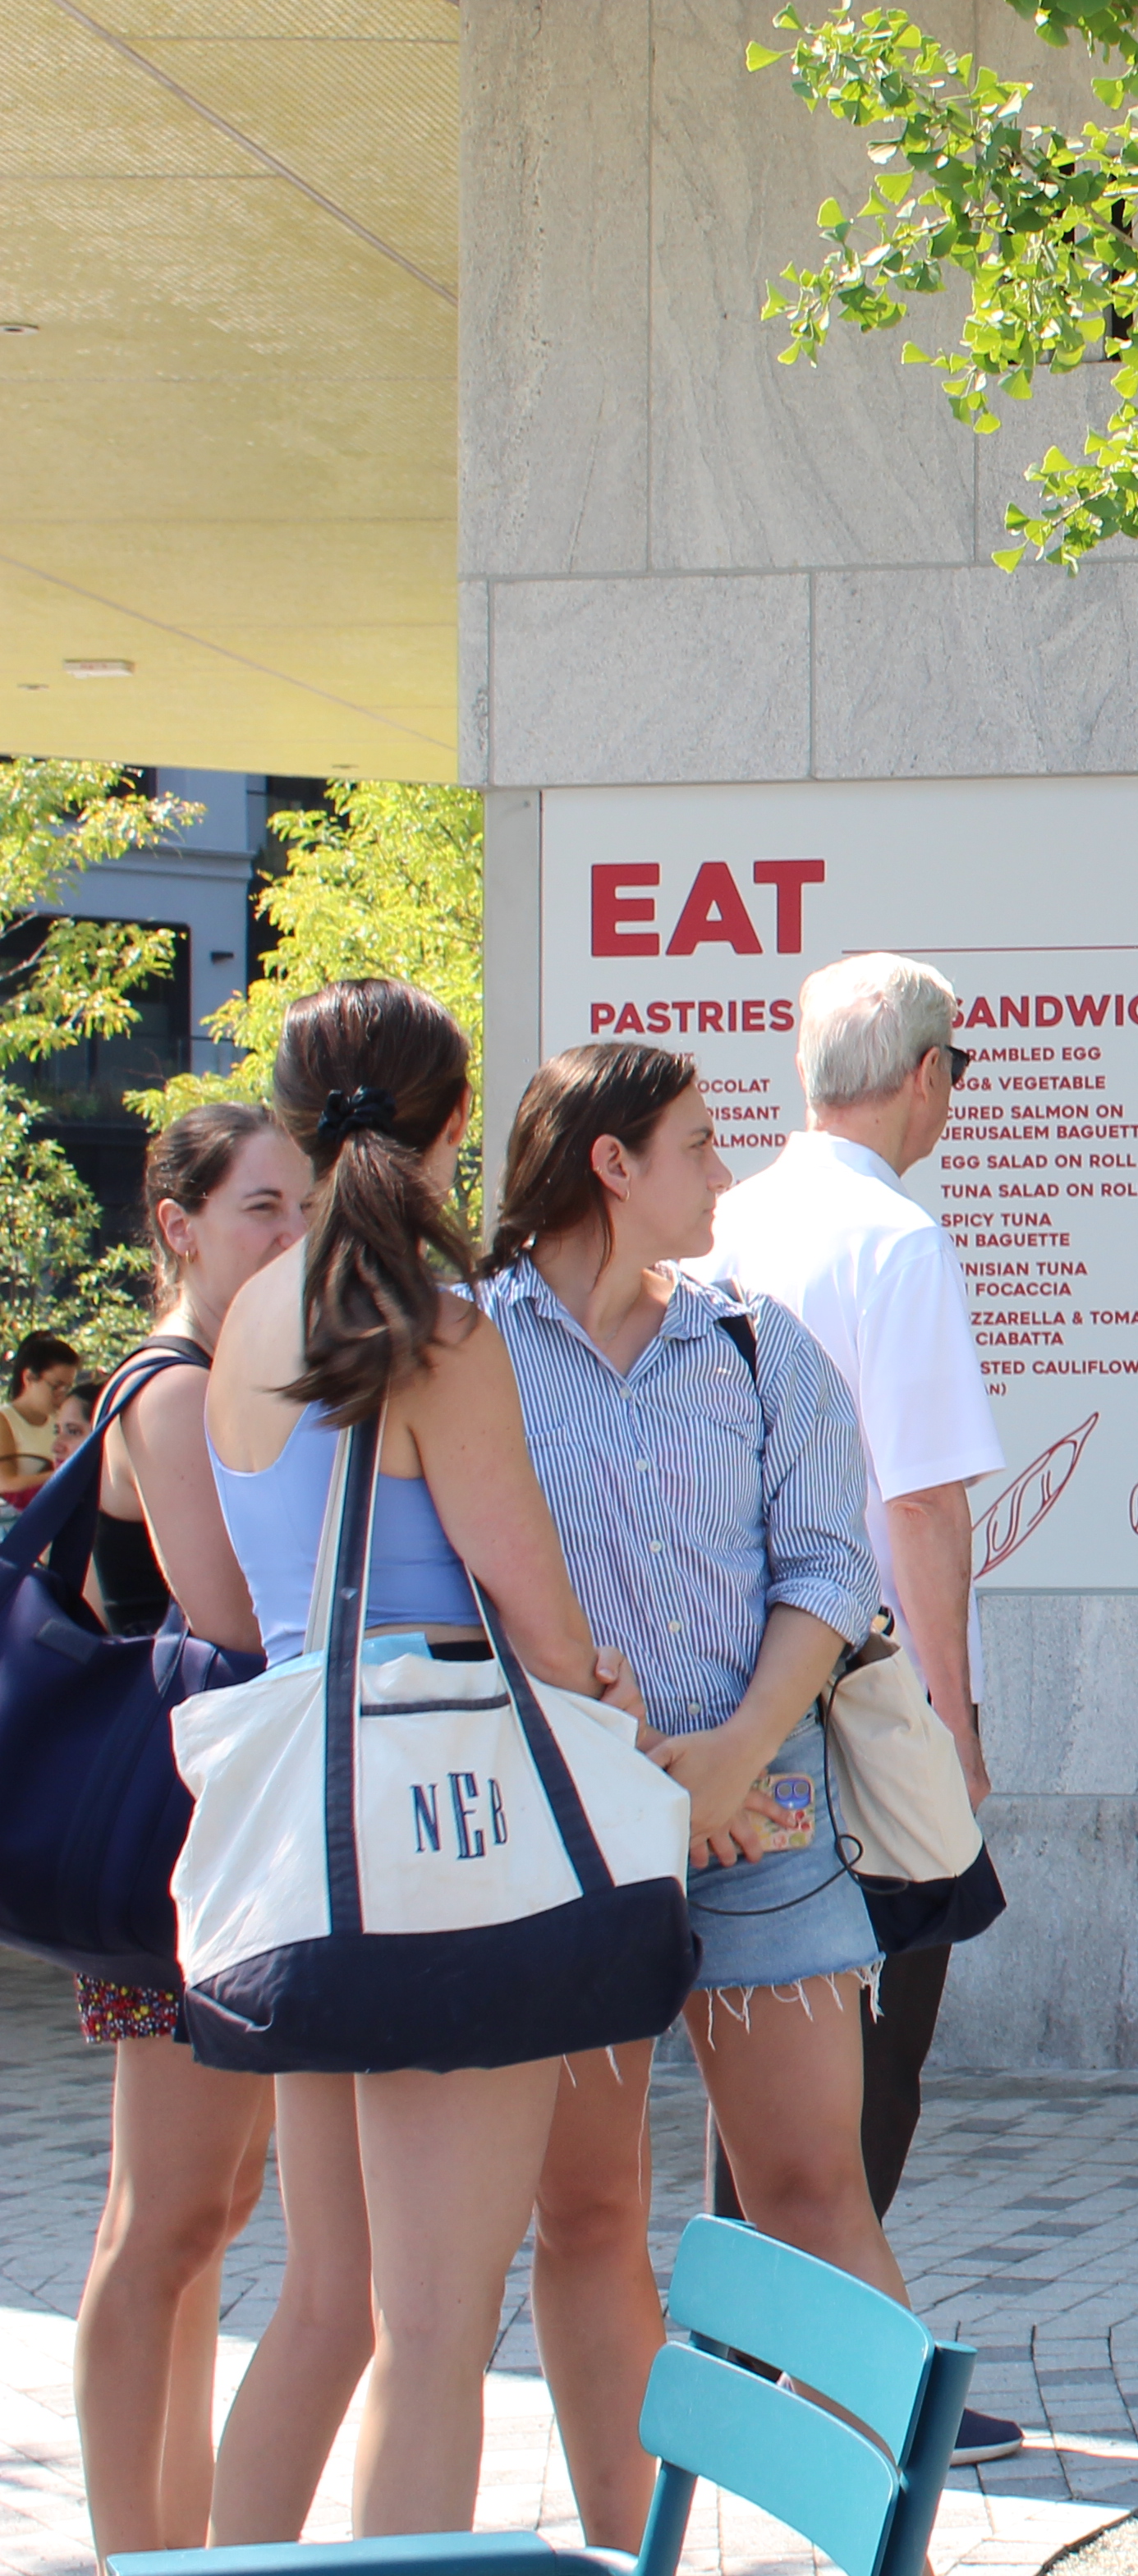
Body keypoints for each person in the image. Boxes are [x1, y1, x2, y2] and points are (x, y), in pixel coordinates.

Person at [199, 980, 654, 2537]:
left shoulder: (252, 1313)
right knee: (438, 2331)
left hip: (315, 1844)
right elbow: (530, 1602)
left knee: (324, 2307)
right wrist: (609, 1690)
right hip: (448, 1838)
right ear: (455, 1122)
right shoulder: (433, 1328)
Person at [480, 1040, 915, 2548]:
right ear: (611, 1163)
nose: (725, 1171)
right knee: (588, 2215)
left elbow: (828, 1565)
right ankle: (624, 2548)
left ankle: (878, 2543)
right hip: (561, 1832)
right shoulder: (469, 1347)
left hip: (761, 1820)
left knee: (814, 2192)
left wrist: (731, 1752)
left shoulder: (756, 1341)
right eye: (698, 1142)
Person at [688, 953, 1017, 2468]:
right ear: (928, 1073)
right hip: (850, 1693)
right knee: (877, 2027)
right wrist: (949, 1714)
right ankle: (847, 2369)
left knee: (752, 2027)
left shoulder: (723, 1220)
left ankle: (740, 2351)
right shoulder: (896, 1240)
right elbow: (923, 1504)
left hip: (721, 1700)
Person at [71, 1104, 335, 2561]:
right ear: (178, 1225)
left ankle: (167, 2543)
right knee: (161, 2224)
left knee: (210, 2214)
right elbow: (239, 1619)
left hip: (227, 1859)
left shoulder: (238, 1383)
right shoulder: (170, 1390)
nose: (291, 1236)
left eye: (301, 1208)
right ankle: (137, 2546)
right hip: (174, 1859)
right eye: (260, 1210)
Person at [0, 1327, 81, 1504]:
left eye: (67, 1388)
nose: (62, 1395)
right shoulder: (4, 1420)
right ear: (29, 1377)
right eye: (56, 1386)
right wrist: (68, 1473)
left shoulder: (62, 1420)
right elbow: (5, 1484)